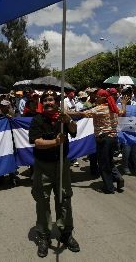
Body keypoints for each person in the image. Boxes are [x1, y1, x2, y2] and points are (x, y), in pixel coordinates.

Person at [29, 90, 79, 257]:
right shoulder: (37, 120)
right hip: (43, 166)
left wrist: (69, 120)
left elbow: (74, 130)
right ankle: (44, 236)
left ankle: (66, 233)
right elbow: (37, 142)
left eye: (52, 100)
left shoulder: (63, 118)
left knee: (64, 198)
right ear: (42, 103)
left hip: (62, 165)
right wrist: (55, 142)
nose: (49, 102)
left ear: (57, 102)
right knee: (42, 201)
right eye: (46, 100)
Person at [84, 89, 126, 193]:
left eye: (97, 97)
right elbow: (122, 112)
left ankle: (109, 187)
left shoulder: (99, 109)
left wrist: (66, 113)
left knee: (103, 163)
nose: (96, 99)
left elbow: (82, 114)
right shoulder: (113, 107)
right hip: (113, 138)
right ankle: (117, 177)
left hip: (103, 139)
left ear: (103, 98)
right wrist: (124, 104)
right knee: (109, 160)